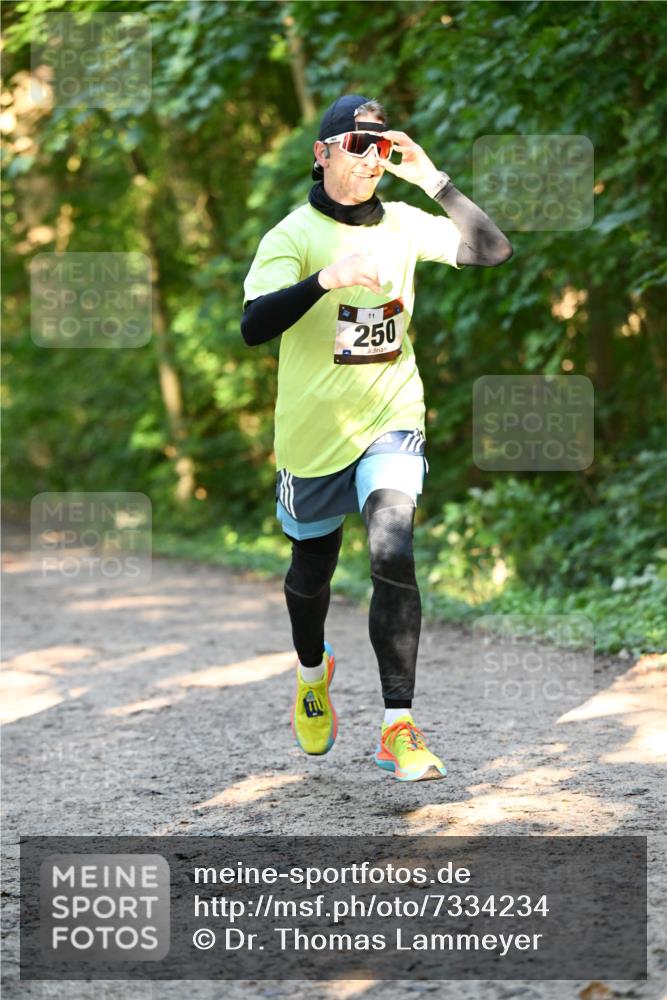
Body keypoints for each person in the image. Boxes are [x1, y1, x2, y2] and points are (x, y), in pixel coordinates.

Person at [241, 94, 512, 781]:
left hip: (391, 419)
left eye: (381, 146)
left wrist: (431, 178)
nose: (371, 159)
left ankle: (398, 726)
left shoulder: (402, 223)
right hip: (311, 436)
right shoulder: (290, 236)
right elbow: (252, 324)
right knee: (311, 573)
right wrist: (324, 278)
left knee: (393, 551)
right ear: (322, 152)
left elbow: (491, 249)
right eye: (356, 144)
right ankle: (311, 671)